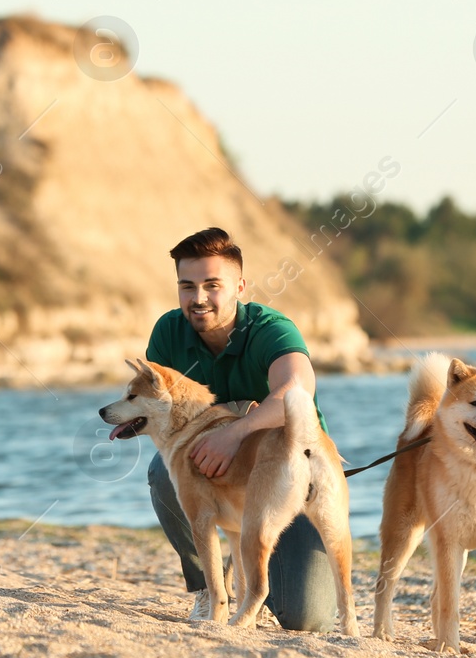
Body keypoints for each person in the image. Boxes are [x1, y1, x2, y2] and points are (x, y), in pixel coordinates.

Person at [144, 227, 338, 630]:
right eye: (187, 286)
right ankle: (210, 588)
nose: (198, 298)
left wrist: (233, 433)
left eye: (212, 285)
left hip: (292, 477)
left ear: (240, 286)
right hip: (224, 478)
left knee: (308, 618)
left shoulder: (270, 329)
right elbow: (161, 414)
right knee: (165, 470)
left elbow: (296, 392)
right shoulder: (168, 332)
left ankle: (258, 577)